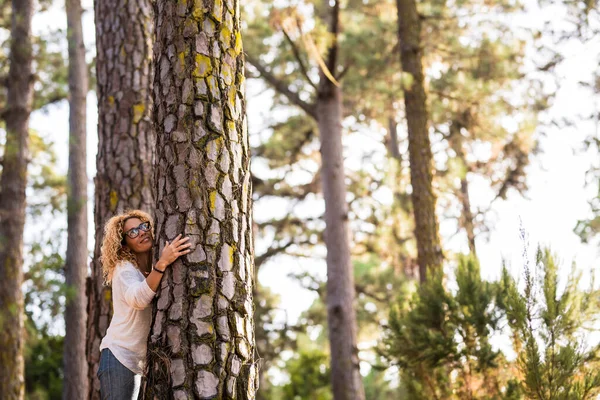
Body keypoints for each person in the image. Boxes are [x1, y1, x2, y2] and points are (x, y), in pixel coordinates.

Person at [96, 210, 191, 400]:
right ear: (124, 243)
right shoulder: (124, 268)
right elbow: (138, 299)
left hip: (136, 363)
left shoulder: (147, 269)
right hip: (119, 356)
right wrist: (163, 263)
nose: (141, 232)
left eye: (143, 226)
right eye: (132, 232)